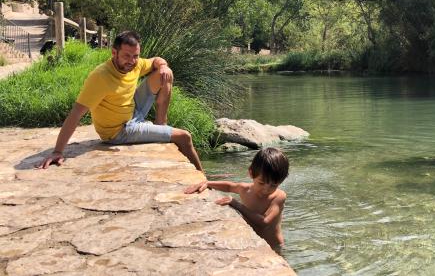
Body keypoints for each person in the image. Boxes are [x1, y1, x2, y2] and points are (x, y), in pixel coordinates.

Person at [36, 30, 204, 172]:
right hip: (119, 131)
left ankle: (161, 123)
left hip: (132, 111)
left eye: (135, 56)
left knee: (164, 73)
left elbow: (156, 60)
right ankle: (204, 181)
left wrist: (163, 65)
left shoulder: (135, 64)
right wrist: (58, 151)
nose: (131, 61)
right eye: (126, 56)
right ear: (114, 53)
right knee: (185, 137)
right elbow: (76, 114)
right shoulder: (100, 77)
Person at [184, 147, 289, 252]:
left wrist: (237, 205)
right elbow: (229, 186)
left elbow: (264, 222)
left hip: (273, 246)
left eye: (274, 185)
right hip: (252, 241)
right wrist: (208, 183)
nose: (266, 189)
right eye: (261, 183)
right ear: (251, 173)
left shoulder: (278, 197)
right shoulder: (246, 189)